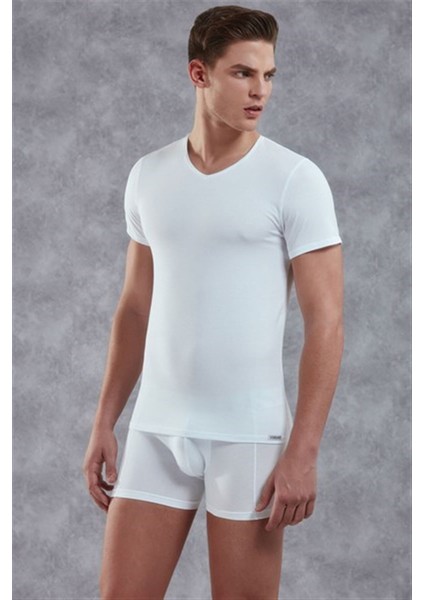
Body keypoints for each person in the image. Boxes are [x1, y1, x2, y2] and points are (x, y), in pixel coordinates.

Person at [82, 4, 344, 599]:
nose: (260, 91)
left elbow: (326, 322)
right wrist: (104, 421)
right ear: (199, 73)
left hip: (248, 436)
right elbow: (135, 308)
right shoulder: (149, 175)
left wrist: (303, 451)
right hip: (158, 427)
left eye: (269, 75)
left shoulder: (294, 179)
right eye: (243, 73)